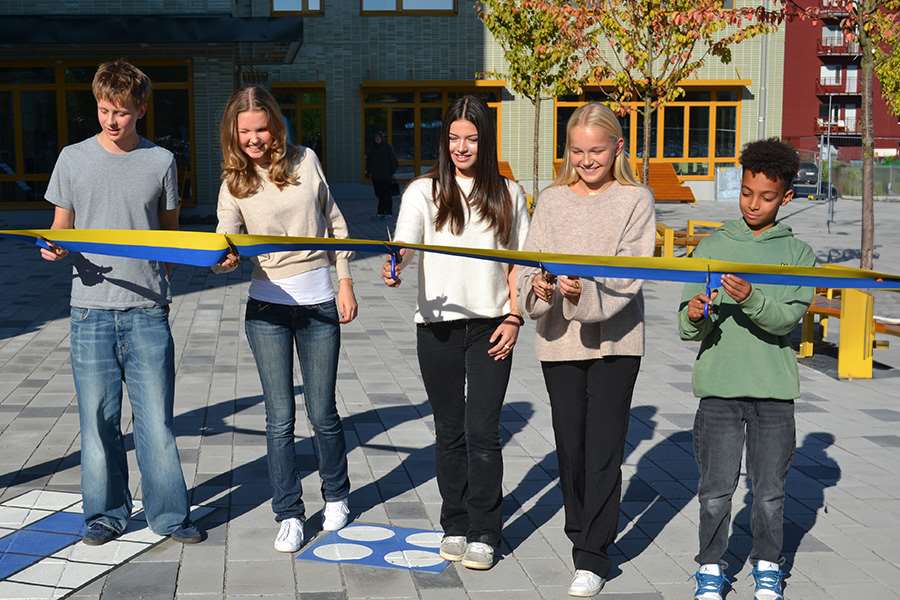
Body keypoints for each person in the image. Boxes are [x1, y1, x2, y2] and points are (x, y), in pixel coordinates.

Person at [40, 59, 203, 546]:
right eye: (104, 110)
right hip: (89, 309)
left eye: (122, 112)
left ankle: (170, 516)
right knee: (97, 420)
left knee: (157, 421)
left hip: (148, 311)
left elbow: (170, 237)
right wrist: (54, 248)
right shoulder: (72, 158)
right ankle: (106, 514)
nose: (111, 121)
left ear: (142, 110)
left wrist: (158, 275)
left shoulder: (161, 161)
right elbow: (60, 229)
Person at [382, 95, 529, 570]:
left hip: (492, 325)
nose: (461, 147)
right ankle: (456, 523)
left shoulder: (508, 193)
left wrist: (515, 317)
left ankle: (487, 530)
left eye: (471, 138)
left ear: (485, 141)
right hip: (438, 325)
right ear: (443, 141)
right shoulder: (423, 191)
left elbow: (520, 263)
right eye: (453, 138)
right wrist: (396, 265)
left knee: (483, 431)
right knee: (449, 432)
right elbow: (404, 245)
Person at [517, 103, 655, 597]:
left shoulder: (635, 199)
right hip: (559, 341)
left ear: (617, 148)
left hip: (617, 341)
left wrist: (585, 294)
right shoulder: (552, 201)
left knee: (603, 448)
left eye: (596, 150)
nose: (586, 160)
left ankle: (593, 554)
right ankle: (579, 530)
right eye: (577, 150)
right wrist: (544, 290)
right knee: (570, 447)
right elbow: (531, 265)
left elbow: (631, 271)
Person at [213, 85, 358, 554]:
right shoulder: (234, 182)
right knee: (279, 419)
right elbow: (223, 245)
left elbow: (334, 222)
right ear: (233, 134)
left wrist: (345, 281)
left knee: (323, 413)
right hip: (267, 308)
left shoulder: (305, 160)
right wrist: (224, 260)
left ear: (275, 125)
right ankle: (289, 513)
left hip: (318, 303)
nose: (254, 139)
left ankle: (336, 495)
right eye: (245, 132)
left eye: (261, 129)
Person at [679, 138, 815, 600]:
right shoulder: (713, 245)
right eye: (746, 192)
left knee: (770, 493)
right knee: (715, 491)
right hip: (718, 389)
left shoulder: (799, 255)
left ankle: (766, 565)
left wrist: (749, 297)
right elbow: (686, 324)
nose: (754, 204)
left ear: (787, 198)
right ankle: (711, 567)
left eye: (767, 196)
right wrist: (695, 314)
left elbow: (784, 319)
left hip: (774, 393)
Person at [365, 130, 399, 217]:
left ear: (382, 138)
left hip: (386, 176)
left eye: (379, 138)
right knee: (379, 194)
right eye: (376, 138)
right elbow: (369, 162)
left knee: (387, 194)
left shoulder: (388, 147)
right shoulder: (372, 148)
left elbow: (394, 161)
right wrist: (368, 172)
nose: (377, 139)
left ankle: (388, 211)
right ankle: (380, 211)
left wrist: (391, 172)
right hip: (376, 176)